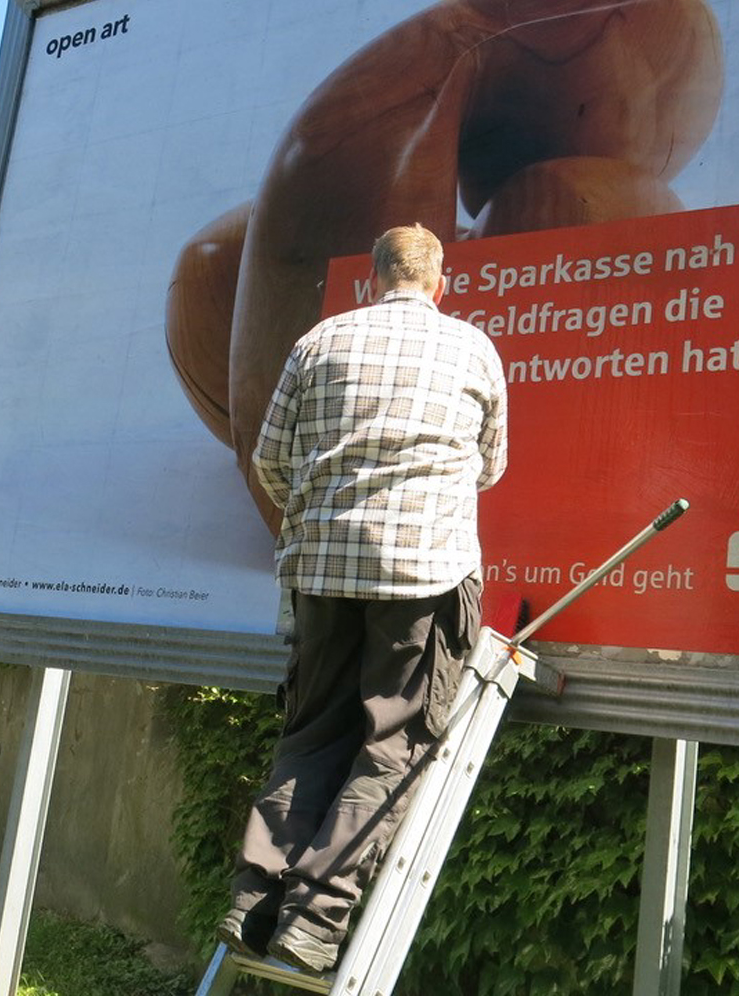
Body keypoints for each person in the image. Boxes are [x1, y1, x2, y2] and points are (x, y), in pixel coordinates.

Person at [218, 223, 508, 974]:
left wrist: (323, 519)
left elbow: (269, 461)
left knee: (310, 733)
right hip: (422, 577)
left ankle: (252, 898)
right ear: (441, 282)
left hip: (319, 573)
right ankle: (314, 919)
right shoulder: (473, 348)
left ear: (374, 277)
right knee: (394, 745)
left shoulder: (320, 341)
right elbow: (489, 467)